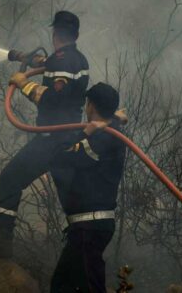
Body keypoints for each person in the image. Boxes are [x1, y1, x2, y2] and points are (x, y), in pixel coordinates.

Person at [0, 11, 90, 257]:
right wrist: (21, 57)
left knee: (10, 179)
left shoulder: (61, 62)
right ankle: (82, 249)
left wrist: (23, 84)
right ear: (76, 35)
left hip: (51, 139)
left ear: (54, 34)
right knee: (71, 202)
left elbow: (54, 98)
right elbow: (50, 65)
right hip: (68, 138)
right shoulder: (76, 59)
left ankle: (2, 240)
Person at [49, 82, 127, 293]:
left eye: (87, 104)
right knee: (63, 286)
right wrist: (112, 121)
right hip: (87, 227)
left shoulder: (101, 138)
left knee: (88, 287)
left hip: (90, 227)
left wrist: (84, 133)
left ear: (91, 106)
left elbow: (58, 157)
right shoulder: (109, 134)